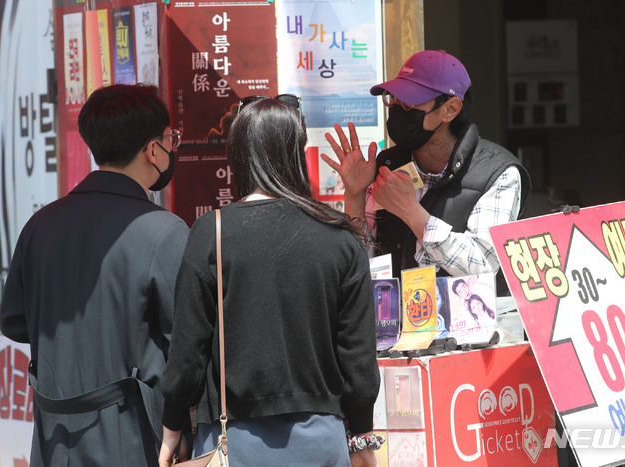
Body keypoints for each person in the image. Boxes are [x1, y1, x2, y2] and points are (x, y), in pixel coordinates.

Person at [158, 97, 381, 467]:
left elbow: (187, 355)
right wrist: (360, 439)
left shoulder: (211, 233)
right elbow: (358, 360)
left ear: (239, 156)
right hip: (322, 442)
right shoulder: (340, 237)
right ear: (297, 152)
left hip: (234, 445)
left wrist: (171, 428)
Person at [0, 83, 189, 466]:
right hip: (134, 438)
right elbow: (187, 343)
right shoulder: (164, 231)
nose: (173, 148)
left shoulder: (40, 224)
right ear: (153, 149)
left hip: (53, 441)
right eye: (172, 140)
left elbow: (14, 322)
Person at [322, 50, 531, 286]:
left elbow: (485, 264)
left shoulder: (496, 172)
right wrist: (355, 194)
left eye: (409, 102)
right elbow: (356, 264)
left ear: (450, 109)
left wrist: (412, 213)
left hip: (467, 320)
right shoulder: (386, 167)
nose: (398, 108)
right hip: (393, 320)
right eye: (393, 98)